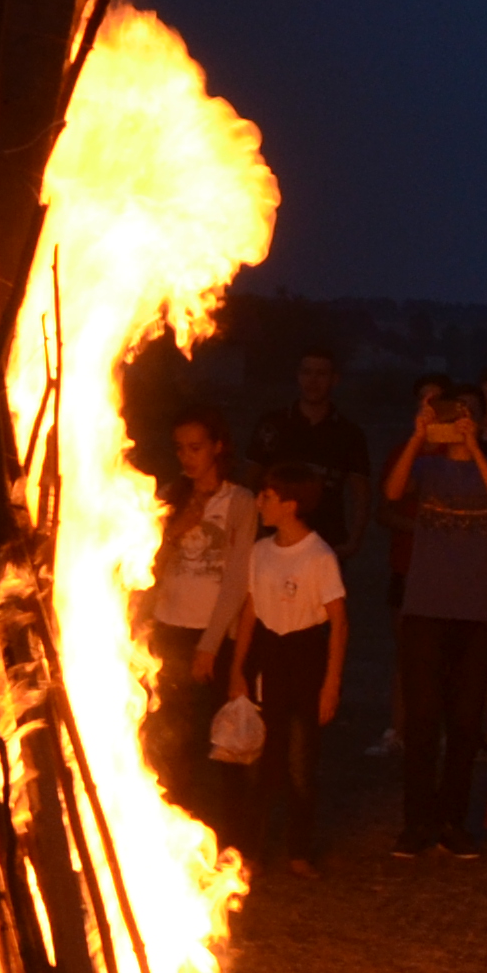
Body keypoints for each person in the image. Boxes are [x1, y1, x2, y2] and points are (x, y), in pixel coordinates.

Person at [381, 380, 487, 859]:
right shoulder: (427, 465)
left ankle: (453, 822)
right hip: (425, 608)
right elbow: (392, 491)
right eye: (453, 414)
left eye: (467, 415)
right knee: (422, 720)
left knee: (464, 721)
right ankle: (417, 822)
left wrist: (474, 448)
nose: (460, 422)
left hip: (476, 611)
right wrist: (418, 437)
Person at [200, 465, 346, 874]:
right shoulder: (261, 551)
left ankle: (298, 850)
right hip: (269, 657)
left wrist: (331, 683)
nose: (260, 503)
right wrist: (238, 669)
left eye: (267, 497)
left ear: (290, 504)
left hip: (305, 656)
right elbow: (250, 611)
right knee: (259, 759)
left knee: (300, 760)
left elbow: (338, 622)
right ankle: (251, 849)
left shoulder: (318, 555)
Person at [147, 408, 254, 811]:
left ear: (217, 447)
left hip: (215, 632)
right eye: (180, 449)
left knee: (224, 738)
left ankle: (233, 827)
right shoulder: (169, 498)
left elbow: (237, 579)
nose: (187, 457)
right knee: (175, 738)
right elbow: (145, 567)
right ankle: (177, 817)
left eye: (196, 448)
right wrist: (177, 528)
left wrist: (210, 643)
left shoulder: (239, 501)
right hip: (169, 627)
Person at [247, 347, 375, 566]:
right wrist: (254, 528)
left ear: (334, 379)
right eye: (307, 372)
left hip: (327, 541)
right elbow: (250, 479)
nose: (313, 381)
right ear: (298, 376)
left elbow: (361, 492)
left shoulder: (348, 433)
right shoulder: (274, 424)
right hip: (275, 538)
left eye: (321, 374)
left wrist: (354, 540)